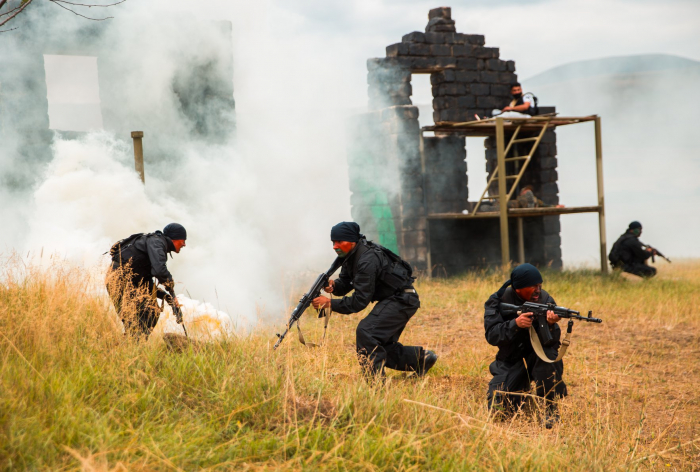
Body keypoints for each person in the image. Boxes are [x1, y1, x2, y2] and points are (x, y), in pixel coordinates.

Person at [311, 222, 438, 379]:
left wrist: (330, 303)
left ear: (351, 241)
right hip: (395, 299)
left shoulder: (367, 260)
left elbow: (359, 302)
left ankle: (376, 385)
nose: (334, 246)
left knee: (366, 332)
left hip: (402, 299)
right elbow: (347, 282)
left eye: (339, 242)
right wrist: (334, 286)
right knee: (380, 345)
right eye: (333, 242)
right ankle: (421, 360)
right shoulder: (351, 256)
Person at [484, 263, 567, 427]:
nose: (538, 290)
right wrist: (515, 324)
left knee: (548, 357)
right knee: (499, 410)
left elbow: (553, 343)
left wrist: (550, 325)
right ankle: (525, 397)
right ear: (518, 288)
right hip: (510, 361)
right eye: (533, 286)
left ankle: (550, 407)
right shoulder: (498, 301)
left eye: (540, 285)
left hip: (537, 357)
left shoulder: (545, 300)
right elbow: (492, 335)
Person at [106, 223, 187, 339]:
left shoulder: (155, 244)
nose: (184, 244)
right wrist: (170, 286)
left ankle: (130, 347)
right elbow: (159, 270)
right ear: (175, 238)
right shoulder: (157, 243)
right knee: (145, 314)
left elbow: (145, 282)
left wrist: (167, 297)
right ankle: (132, 347)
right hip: (120, 281)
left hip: (119, 280)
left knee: (149, 313)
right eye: (183, 240)